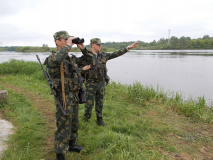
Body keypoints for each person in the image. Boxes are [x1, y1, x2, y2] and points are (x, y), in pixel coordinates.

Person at [44, 31, 92, 160]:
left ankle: (72, 145)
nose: (68, 42)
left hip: (74, 96)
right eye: (65, 40)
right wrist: (68, 45)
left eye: (69, 40)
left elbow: (90, 61)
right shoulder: (53, 58)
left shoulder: (71, 59)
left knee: (74, 123)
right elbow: (57, 59)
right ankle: (60, 154)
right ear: (57, 42)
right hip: (63, 98)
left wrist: (83, 49)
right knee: (63, 126)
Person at [81, 38, 139, 126]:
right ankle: (86, 118)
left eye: (101, 44)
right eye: (98, 44)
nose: (100, 46)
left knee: (100, 103)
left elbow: (116, 53)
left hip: (101, 83)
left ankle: (99, 120)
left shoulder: (104, 55)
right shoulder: (87, 56)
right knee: (89, 103)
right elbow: (76, 66)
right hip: (91, 83)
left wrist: (128, 48)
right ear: (92, 45)